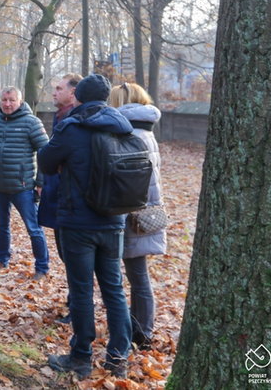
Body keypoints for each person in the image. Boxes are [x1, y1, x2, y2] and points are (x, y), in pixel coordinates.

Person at [37, 73, 132, 379]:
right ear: (106, 98)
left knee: (81, 291)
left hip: (78, 221)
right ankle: (119, 357)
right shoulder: (123, 127)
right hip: (114, 220)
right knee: (114, 289)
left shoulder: (71, 127)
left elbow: (46, 161)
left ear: (78, 97)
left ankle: (81, 356)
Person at [108, 82, 165, 350]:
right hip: (145, 209)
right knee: (137, 274)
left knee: (137, 275)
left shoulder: (131, 133)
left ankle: (142, 331)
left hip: (134, 213)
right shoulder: (146, 129)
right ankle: (140, 327)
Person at [0, 86, 50, 279]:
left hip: (23, 187)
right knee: (1, 226)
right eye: (4, 100)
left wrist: (41, 182)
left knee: (34, 228)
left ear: (20, 101)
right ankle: (1, 259)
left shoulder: (31, 122)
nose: (7, 104)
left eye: (12, 100)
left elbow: (45, 152)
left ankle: (42, 267)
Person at [38, 73, 81, 321]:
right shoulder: (61, 117)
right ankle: (73, 301)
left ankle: (78, 307)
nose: (54, 93)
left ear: (73, 93)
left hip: (70, 201)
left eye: (58, 88)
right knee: (66, 254)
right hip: (57, 197)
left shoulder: (73, 121)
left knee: (74, 256)